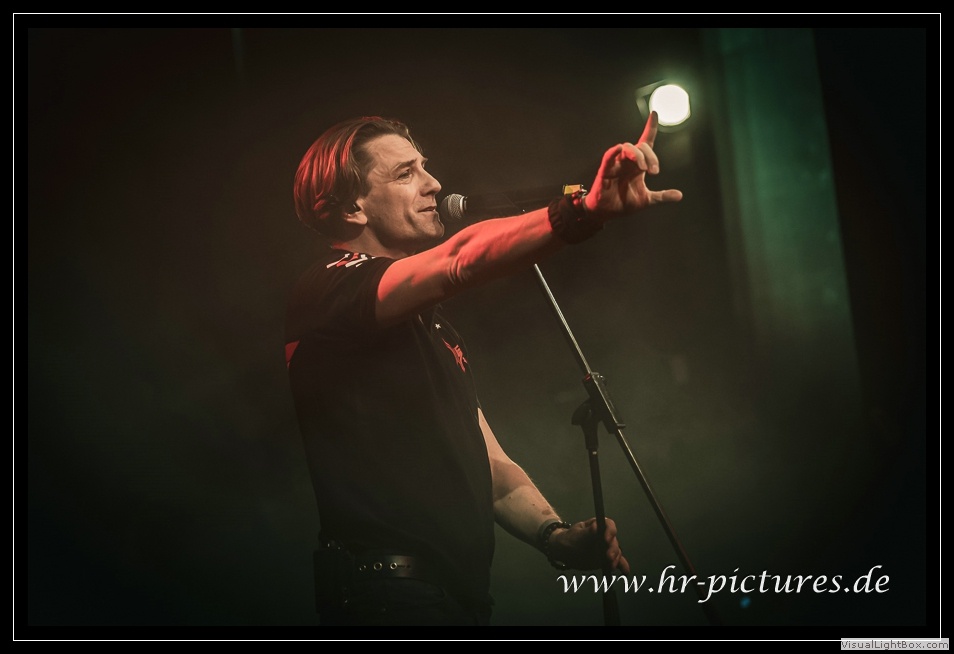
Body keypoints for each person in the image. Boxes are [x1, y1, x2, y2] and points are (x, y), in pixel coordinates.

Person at [284, 112, 682, 626]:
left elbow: (487, 460)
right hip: (388, 595)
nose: (434, 183)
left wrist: (555, 535)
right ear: (350, 207)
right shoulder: (329, 286)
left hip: (459, 598)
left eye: (424, 166)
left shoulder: (436, 328)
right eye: (405, 174)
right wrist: (582, 211)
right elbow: (460, 259)